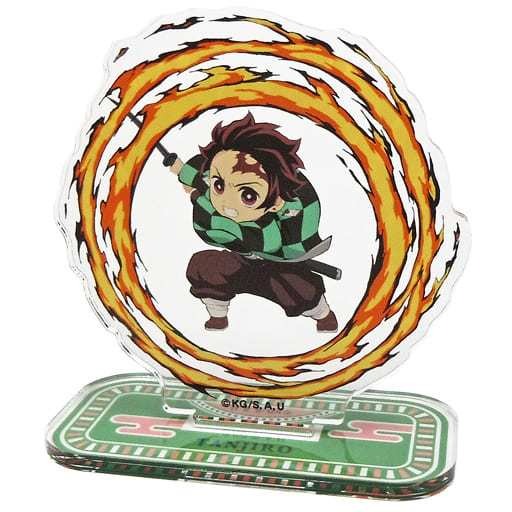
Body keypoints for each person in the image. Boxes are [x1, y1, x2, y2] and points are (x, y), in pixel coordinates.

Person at [169, 113, 338, 333]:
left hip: (278, 265)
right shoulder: (216, 178)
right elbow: (204, 175)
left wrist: (196, 197)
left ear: (275, 203)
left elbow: (222, 227)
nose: (227, 204)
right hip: (241, 261)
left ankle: (323, 315)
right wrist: (182, 170)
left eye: (248, 196)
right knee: (204, 267)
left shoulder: (271, 228)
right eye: (219, 186)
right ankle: (218, 315)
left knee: (301, 290)